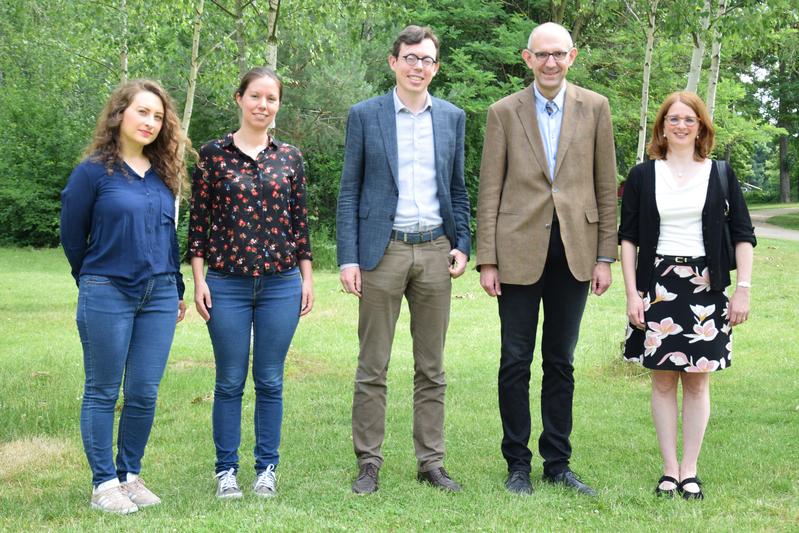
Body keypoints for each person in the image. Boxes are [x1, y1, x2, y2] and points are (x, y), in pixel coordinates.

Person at [476, 22, 617, 496]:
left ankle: (558, 462)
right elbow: (489, 189)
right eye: (542, 54)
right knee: (515, 360)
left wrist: (605, 256)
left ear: (572, 56)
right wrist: (488, 260)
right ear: (527, 58)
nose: (551, 62)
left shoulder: (596, 108)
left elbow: (605, 186)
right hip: (516, 252)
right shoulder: (503, 112)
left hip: (576, 252)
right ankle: (517, 464)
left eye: (559, 54)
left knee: (561, 360)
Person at [336, 25, 471, 494]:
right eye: (410, 57)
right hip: (382, 250)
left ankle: (430, 462)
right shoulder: (365, 115)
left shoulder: (452, 117)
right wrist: (348, 257)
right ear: (393, 62)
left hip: (436, 251)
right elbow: (349, 189)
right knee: (373, 364)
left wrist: (463, 242)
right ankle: (368, 462)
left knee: (431, 367)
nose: (418, 66)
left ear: (436, 67)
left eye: (427, 59)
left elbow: (457, 188)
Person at [60, 79, 190, 514]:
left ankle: (128, 475)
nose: (151, 122)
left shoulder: (162, 176)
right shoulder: (93, 172)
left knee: (144, 391)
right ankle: (103, 484)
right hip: (107, 291)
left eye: (158, 116)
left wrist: (177, 288)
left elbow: (168, 236)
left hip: (159, 293)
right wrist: (93, 278)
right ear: (120, 114)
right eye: (143, 112)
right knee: (102, 389)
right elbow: (72, 235)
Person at [619, 91, 755, 500]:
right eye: (673, 119)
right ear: (661, 126)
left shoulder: (721, 173)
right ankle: (668, 470)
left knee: (697, 383)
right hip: (658, 285)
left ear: (701, 127)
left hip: (706, 287)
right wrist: (632, 294)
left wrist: (742, 289)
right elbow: (628, 239)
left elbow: (744, 236)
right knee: (662, 382)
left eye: (689, 120)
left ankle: (690, 471)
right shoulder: (643, 175)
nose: (680, 126)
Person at [188, 67, 313, 499]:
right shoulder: (213, 154)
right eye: (255, 96)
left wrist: (306, 278)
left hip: (281, 283)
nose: (263, 105)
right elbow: (198, 226)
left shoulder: (290, 157)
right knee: (228, 380)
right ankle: (226, 471)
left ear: (278, 105)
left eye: (271, 99)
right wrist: (199, 280)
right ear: (239, 98)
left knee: (271, 379)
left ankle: (266, 470)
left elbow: (300, 225)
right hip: (225, 284)